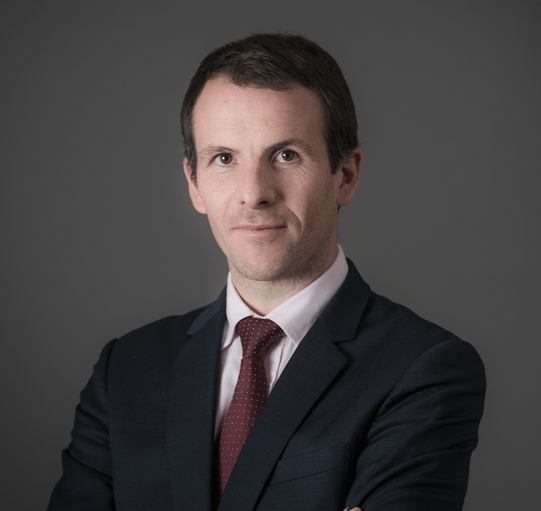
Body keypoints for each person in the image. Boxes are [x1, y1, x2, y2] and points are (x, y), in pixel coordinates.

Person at [47, 34, 486, 511]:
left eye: (286, 155)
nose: (254, 192)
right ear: (194, 184)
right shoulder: (126, 369)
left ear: (346, 175)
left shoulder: (424, 369)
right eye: (224, 158)